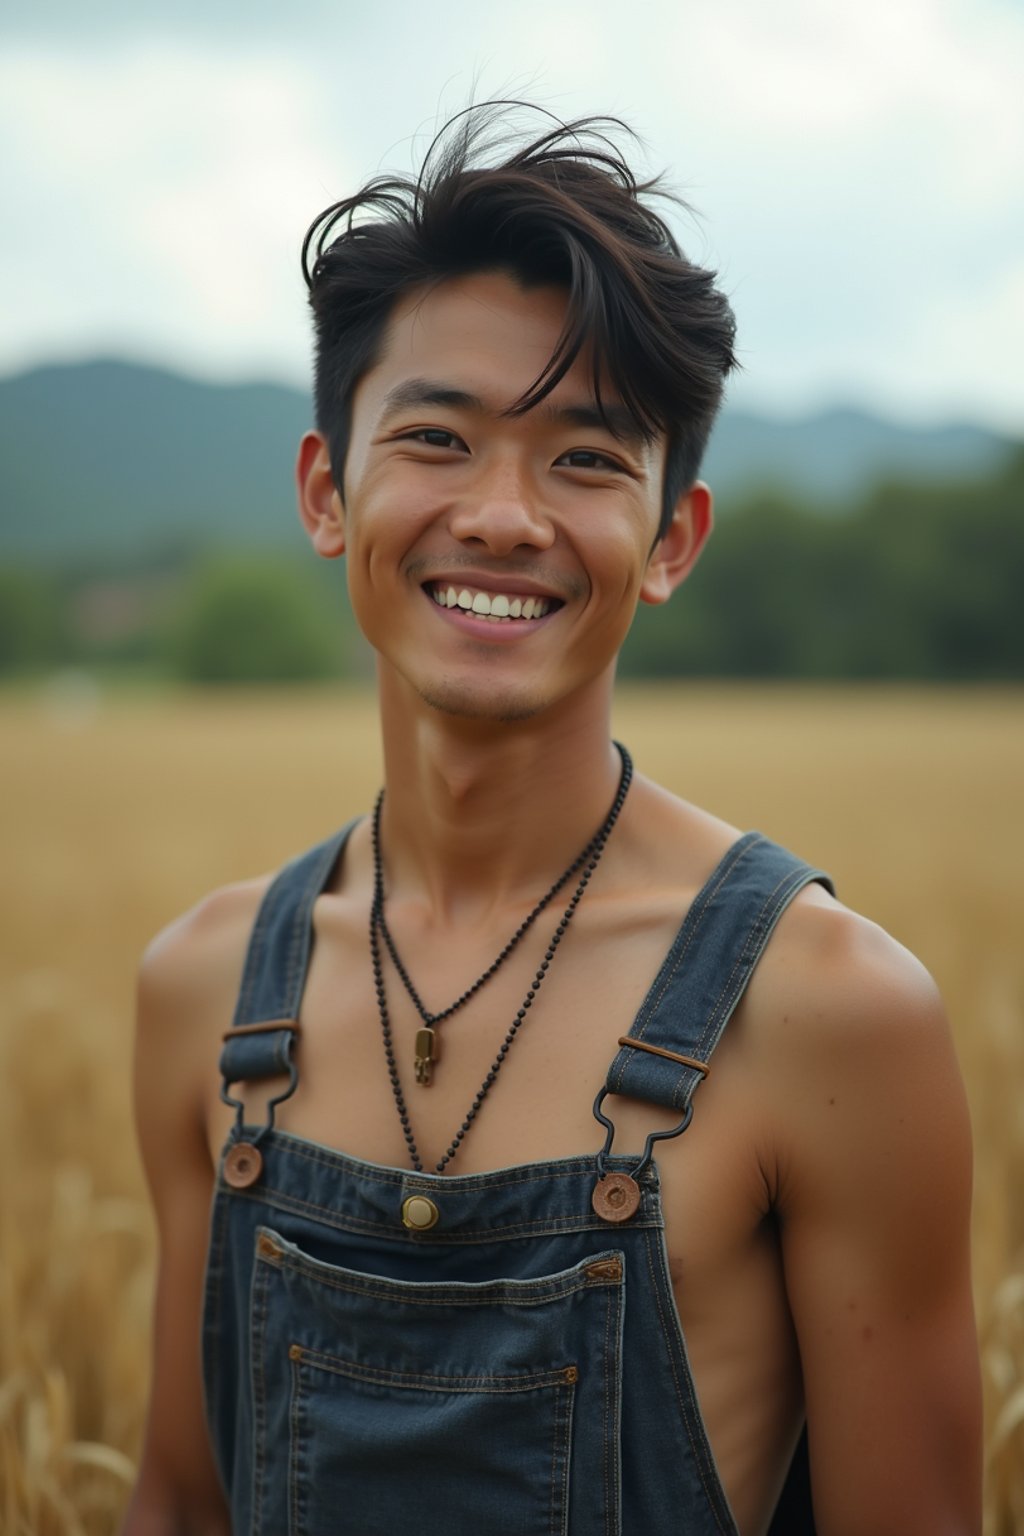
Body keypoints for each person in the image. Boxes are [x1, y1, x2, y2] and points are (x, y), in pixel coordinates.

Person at [123, 105, 982, 1536]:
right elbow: (175, 1501)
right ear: (329, 494)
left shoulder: (831, 1013)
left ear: (672, 541)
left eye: (586, 459)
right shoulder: (204, 991)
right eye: (440, 438)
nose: (505, 516)